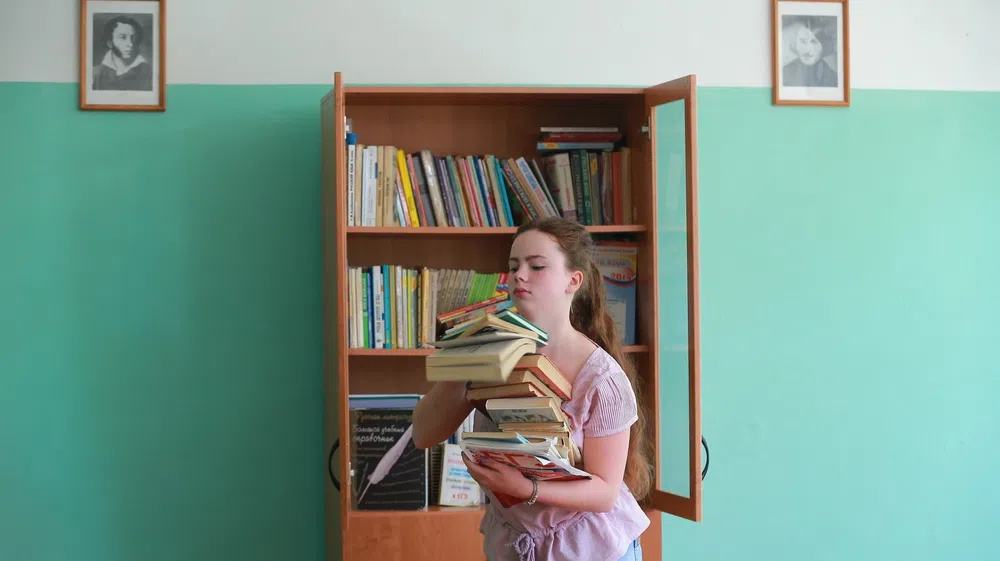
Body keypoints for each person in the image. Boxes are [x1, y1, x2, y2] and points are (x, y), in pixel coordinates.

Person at [412, 216, 652, 561]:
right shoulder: (494, 349)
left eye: (536, 266)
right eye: (514, 266)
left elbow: (605, 494)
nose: (519, 275)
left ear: (574, 280)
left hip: (590, 549)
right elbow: (423, 434)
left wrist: (526, 488)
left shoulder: (602, 378)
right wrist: (464, 360)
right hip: (517, 544)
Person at [92, 15, 153, 91]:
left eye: (133, 38)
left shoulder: (149, 73)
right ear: (110, 42)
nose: (130, 44)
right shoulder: (95, 74)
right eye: (123, 37)